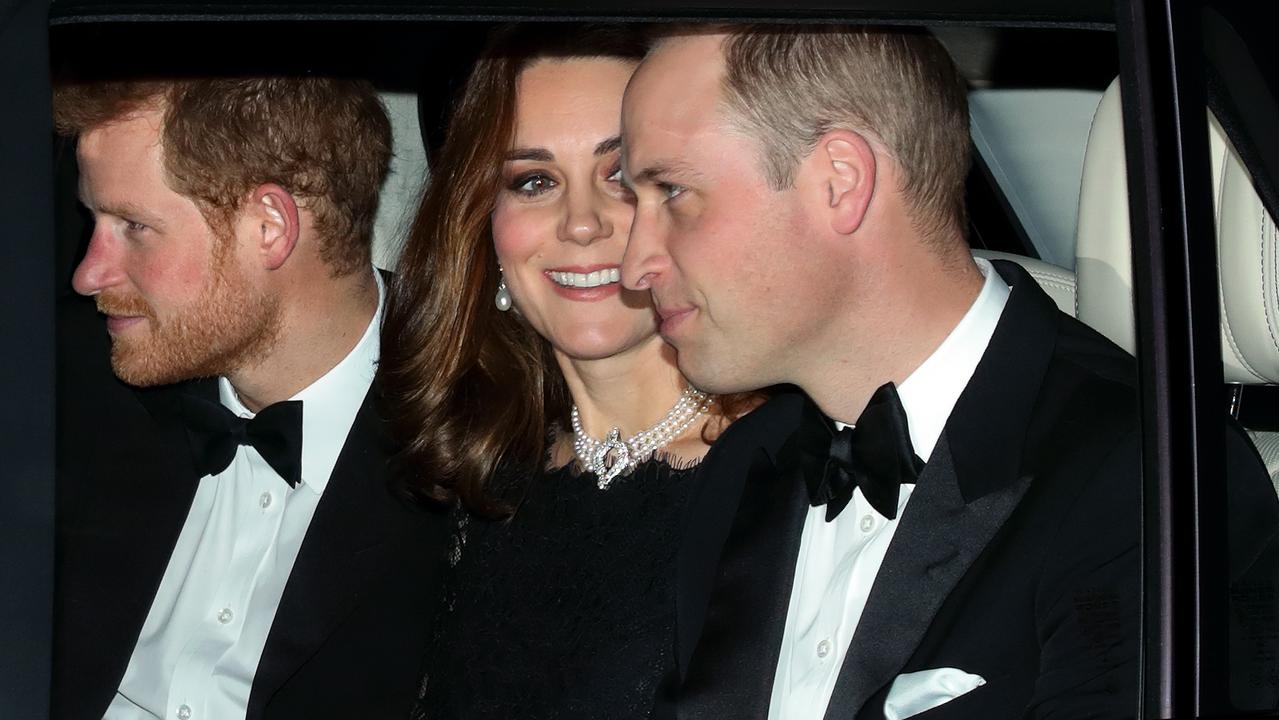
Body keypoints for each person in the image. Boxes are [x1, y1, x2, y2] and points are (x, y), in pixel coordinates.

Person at [619, 26, 1279, 718]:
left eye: (672, 192)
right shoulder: (749, 464)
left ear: (838, 182)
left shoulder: (1150, 482)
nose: (635, 266)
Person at [380, 24, 755, 719]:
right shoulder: (471, 480)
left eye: (622, 175)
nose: (580, 223)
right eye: (534, 181)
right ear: (483, 228)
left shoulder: (788, 474)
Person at [52, 77, 448, 720]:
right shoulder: (66, 380)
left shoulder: (487, 438)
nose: (88, 273)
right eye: (94, 220)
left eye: (133, 226)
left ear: (270, 227)